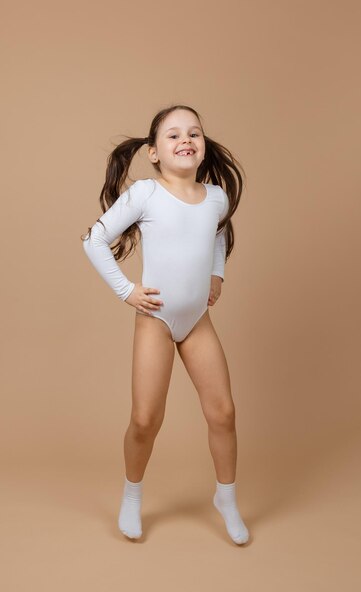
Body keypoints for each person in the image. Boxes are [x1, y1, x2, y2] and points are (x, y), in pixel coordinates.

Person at [81, 104, 249, 545]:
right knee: (144, 419)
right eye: (173, 135)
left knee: (224, 412)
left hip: (197, 320)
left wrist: (218, 275)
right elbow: (94, 239)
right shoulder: (145, 194)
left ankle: (227, 499)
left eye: (194, 132)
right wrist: (126, 290)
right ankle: (132, 495)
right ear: (154, 152)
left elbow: (217, 233)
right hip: (155, 318)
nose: (186, 140)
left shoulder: (216, 197)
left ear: (203, 145)